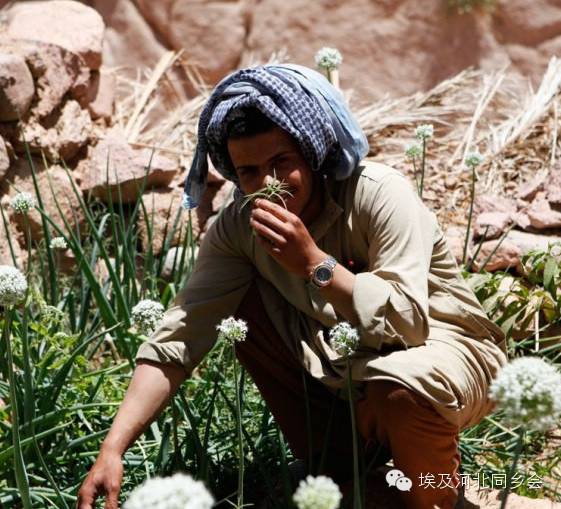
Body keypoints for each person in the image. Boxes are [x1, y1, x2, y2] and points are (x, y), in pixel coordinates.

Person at [76, 64, 508, 509]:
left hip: (444, 357)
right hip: (345, 370)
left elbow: (408, 324)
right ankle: (347, 468)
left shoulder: (379, 193)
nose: (268, 184)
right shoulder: (238, 227)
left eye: (282, 163)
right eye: (249, 171)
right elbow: (181, 333)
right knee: (237, 306)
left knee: (398, 388)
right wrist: (113, 448)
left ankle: (436, 495)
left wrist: (315, 265)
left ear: (311, 152)